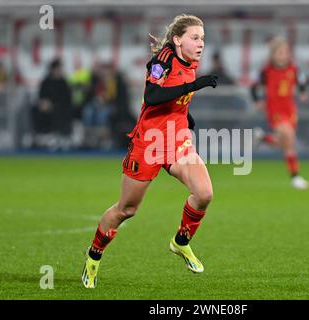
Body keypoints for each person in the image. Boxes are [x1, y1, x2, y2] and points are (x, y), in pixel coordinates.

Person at [81, 14, 218, 288]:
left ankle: (180, 243)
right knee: (126, 210)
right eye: (194, 37)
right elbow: (153, 96)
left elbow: (175, 97)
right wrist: (194, 85)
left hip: (177, 139)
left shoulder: (191, 60)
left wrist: (186, 116)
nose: (201, 43)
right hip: (149, 144)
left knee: (204, 194)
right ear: (177, 39)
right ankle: (93, 257)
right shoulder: (162, 61)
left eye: (202, 38)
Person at [251, 36, 309, 190]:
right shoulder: (266, 71)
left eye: (285, 52)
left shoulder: (294, 69)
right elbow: (254, 86)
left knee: (286, 143)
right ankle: (295, 177)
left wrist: (303, 92)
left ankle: (263, 138)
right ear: (273, 54)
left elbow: (302, 81)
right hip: (275, 109)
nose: (283, 55)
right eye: (280, 52)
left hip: (290, 109)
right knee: (289, 138)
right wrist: (257, 100)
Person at [32, 58, 73, 150]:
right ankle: (40, 135)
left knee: (58, 112)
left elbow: (66, 99)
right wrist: (44, 103)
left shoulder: (63, 83)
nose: (59, 71)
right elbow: (41, 96)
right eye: (57, 69)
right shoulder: (46, 82)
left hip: (60, 107)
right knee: (35, 110)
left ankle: (58, 136)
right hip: (46, 107)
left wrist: (52, 105)